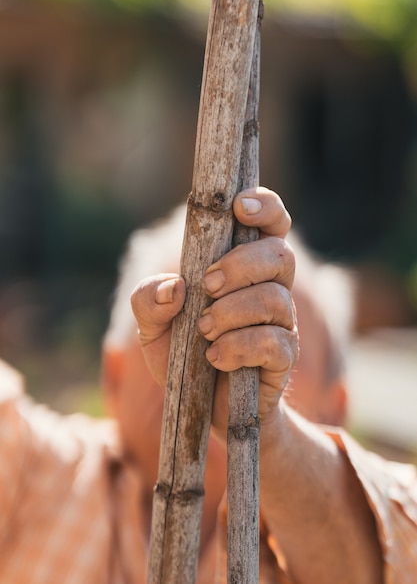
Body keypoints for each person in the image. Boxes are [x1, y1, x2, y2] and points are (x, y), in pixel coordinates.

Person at [0, 187, 414, 583]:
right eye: (178, 320)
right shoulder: (35, 475)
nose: (219, 355)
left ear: (335, 408)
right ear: (113, 376)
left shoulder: (380, 521)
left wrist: (266, 433)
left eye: (262, 330)